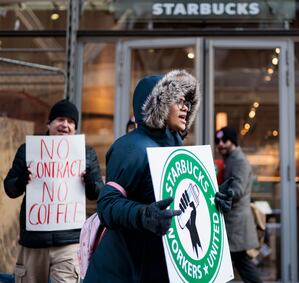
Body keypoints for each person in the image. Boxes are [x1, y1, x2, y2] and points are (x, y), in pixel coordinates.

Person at [83, 69, 233, 282]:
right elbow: (107, 205)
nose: (185, 107)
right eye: (177, 101)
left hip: (159, 268)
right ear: (158, 104)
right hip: (123, 271)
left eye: (187, 102)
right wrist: (144, 214)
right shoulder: (131, 147)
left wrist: (214, 202)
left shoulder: (177, 146)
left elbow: (184, 202)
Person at [4, 99, 104, 283]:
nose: (65, 125)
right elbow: (9, 188)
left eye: (71, 121)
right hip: (33, 243)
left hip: (69, 244)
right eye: (60, 119)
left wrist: (90, 182)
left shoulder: (85, 154)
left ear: (75, 128)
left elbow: (97, 192)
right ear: (49, 124)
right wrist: (21, 181)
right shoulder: (28, 151)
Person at [215, 126, 263, 283]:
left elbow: (237, 190)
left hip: (235, 224)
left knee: (240, 263)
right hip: (233, 223)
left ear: (233, 141)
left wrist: (219, 194)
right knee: (239, 264)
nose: (220, 144)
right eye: (218, 141)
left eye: (224, 140)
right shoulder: (230, 160)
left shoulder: (239, 161)